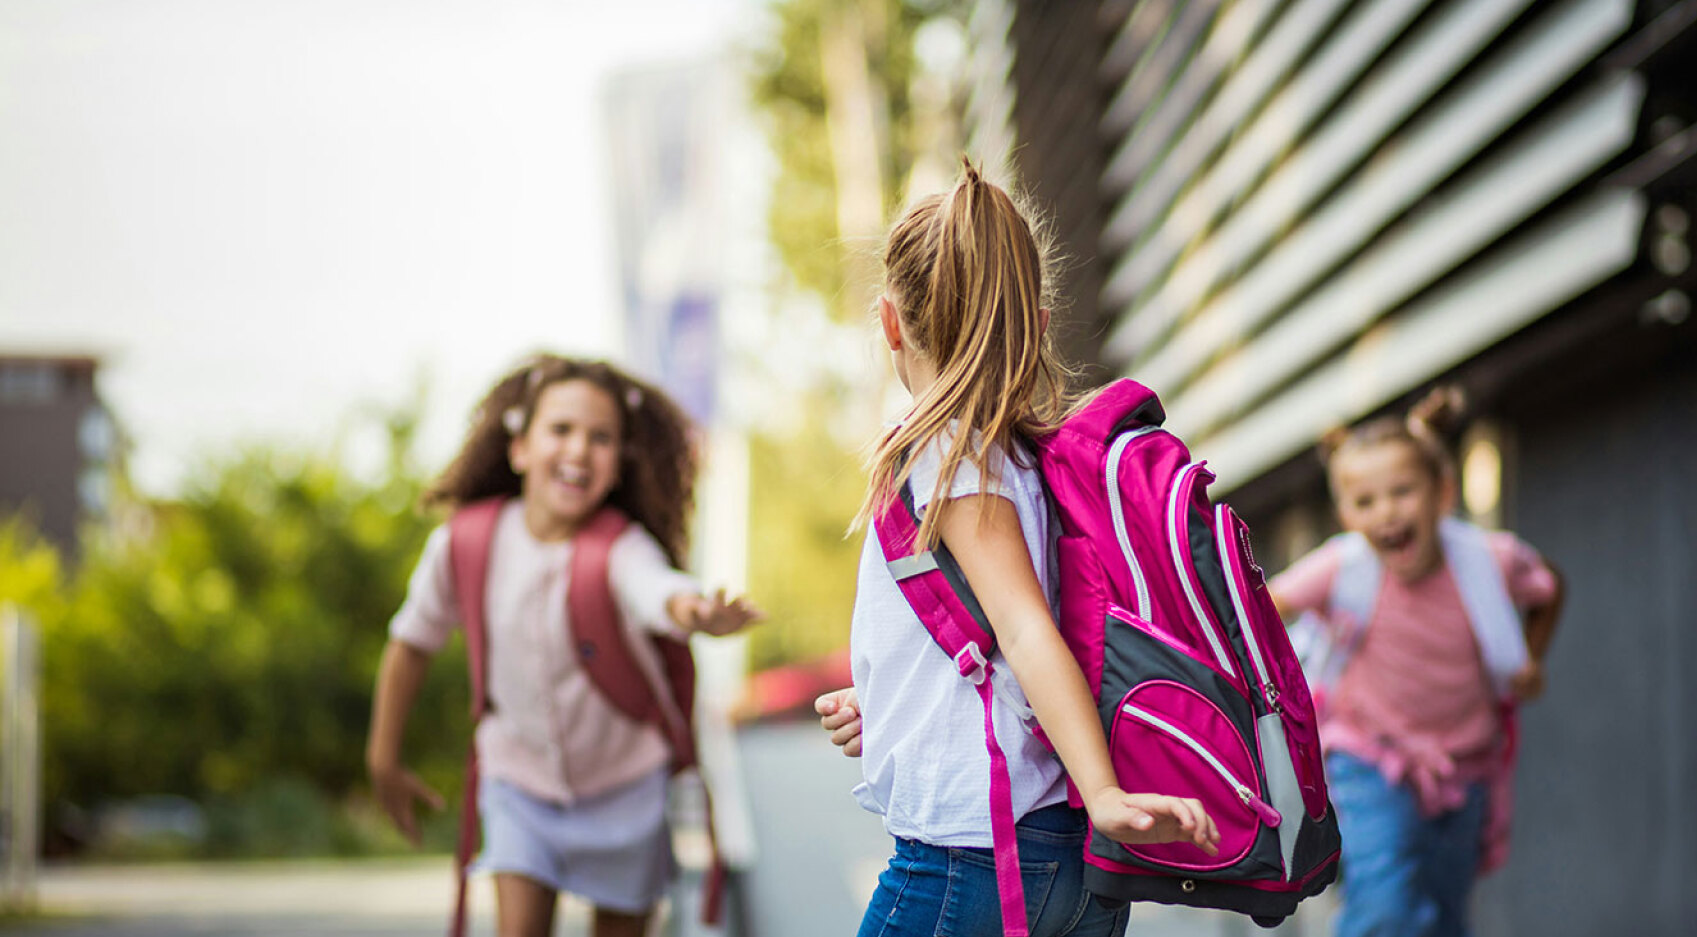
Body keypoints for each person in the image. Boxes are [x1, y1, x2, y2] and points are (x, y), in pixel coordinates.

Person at [821, 160, 1220, 937]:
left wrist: (1105, 793)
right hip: (1068, 862)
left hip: (975, 858)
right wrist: (891, 702)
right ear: (1036, 323)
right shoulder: (1025, 460)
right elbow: (1003, 638)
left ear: (890, 323)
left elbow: (1024, 626)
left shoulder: (949, 454)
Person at [365, 353, 760, 937]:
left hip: (626, 787)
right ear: (519, 448)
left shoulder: (620, 547)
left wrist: (695, 610)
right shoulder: (465, 542)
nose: (579, 449)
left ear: (618, 465)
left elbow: (657, 589)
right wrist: (383, 757)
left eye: (601, 438)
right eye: (561, 429)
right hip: (519, 782)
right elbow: (411, 644)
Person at [1269, 389, 1564, 937]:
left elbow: (1548, 587)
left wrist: (1532, 657)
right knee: (1386, 909)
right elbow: (1264, 607)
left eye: (1402, 492)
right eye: (1365, 502)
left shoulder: (1489, 560)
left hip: (1467, 765)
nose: (1386, 513)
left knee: (1444, 914)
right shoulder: (1341, 566)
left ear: (1443, 493)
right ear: (1345, 514)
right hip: (1369, 759)